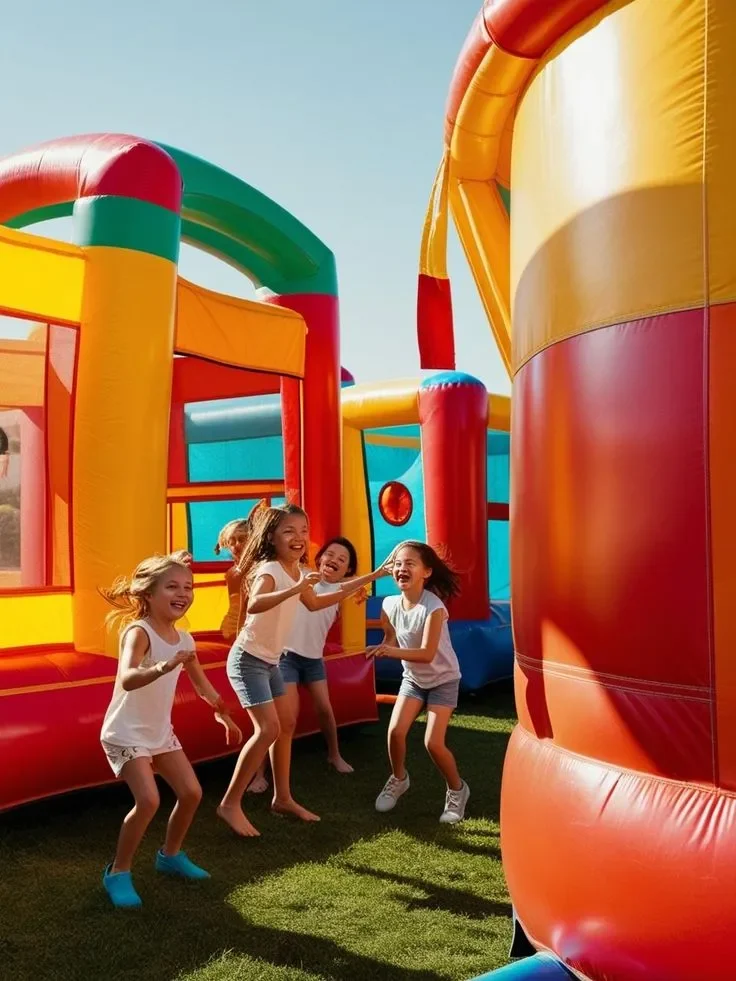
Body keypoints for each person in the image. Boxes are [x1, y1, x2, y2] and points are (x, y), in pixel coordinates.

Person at [217, 504, 388, 837]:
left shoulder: (295, 569)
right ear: (271, 537)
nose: (299, 537)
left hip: (270, 661)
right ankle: (229, 804)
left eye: (304, 530)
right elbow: (256, 603)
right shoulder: (270, 568)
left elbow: (318, 601)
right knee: (268, 728)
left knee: (286, 725)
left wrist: (373, 576)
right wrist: (296, 588)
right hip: (248, 660)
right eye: (289, 531)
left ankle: (282, 798)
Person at [99, 553, 242, 908]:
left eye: (188, 587)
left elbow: (201, 683)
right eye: (172, 587)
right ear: (148, 594)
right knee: (148, 800)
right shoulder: (139, 632)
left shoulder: (185, 640)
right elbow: (128, 678)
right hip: (125, 732)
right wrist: (163, 666)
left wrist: (222, 712)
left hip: (159, 732)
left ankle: (170, 856)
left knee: (191, 793)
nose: (183, 594)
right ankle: (118, 871)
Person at [368, 541, 470, 824]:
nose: (402, 568)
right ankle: (399, 778)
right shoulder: (389, 604)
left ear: (426, 572)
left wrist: (389, 652)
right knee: (395, 732)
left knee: (433, 743)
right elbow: (390, 638)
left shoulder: (433, 607)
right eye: (398, 563)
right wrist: (383, 647)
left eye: (410, 563)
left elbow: (426, 654)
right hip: (413, 679)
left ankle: (457, 790)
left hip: (443, 679)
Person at [281, 536, 374, 774]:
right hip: (286, 656)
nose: (334, 560)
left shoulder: (341, 590)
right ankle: (262, 771)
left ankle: (334, 755)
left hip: (313, 659)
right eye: (330, 555)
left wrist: (358, 585)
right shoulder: (304, 577)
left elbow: (355, 584)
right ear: (320, 558)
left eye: (342, 560)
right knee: (286, 717)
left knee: (325, 708)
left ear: (348, 570)